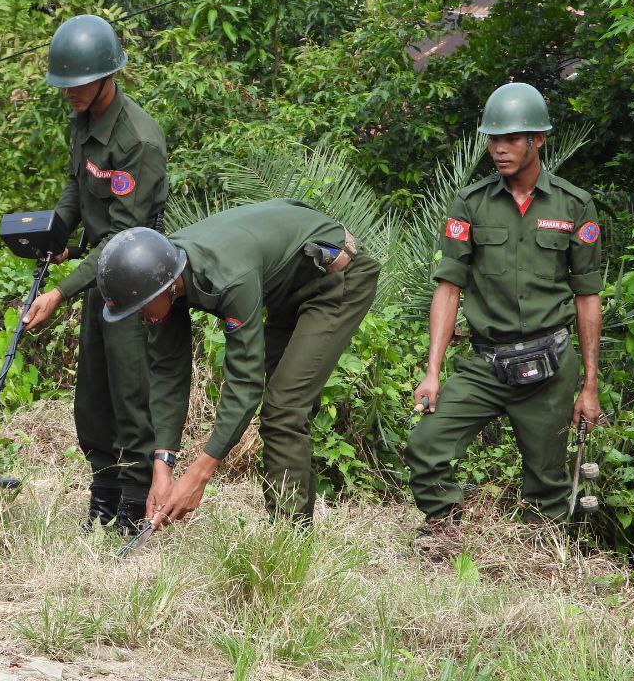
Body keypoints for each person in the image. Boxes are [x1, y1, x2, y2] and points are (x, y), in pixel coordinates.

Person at [96, 200, 380, 526]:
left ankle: (287, 538)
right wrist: (162, 468)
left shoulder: (228, 277)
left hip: (335, 279)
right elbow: (168, 372)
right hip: (285, 287)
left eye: (140, 307)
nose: (139, 316)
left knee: (284, 408)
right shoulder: (163, 271)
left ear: (164, 285)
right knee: (285, 409)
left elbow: (245, 384)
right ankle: (293, 525)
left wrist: (199, 474)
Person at [405, 82, 603, 529]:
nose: (499, 148)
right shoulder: (471, 203)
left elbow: (587, 297)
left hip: (549, 369)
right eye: (493, 139)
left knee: (547, 485)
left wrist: (590, 385)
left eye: (512, 138)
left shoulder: (574, 205)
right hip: (486, 363)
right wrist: (433, 372)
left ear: (538, 140)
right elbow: (448, 288)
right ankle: (447, 533)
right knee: (426, 447)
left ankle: (545, 568)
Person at [21, 15, 168, 533]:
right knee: (92, 398)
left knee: (130, 392)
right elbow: (75, 187)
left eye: (79, 85)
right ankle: (103, 493)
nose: (71, 95)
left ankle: (133, 504)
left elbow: (122, 238)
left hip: (135, 281)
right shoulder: (81, 121)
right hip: (96, 276)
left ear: (108, 77)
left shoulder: (139, 142)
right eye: (65, 86)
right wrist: (55, 232)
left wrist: (61, 291)